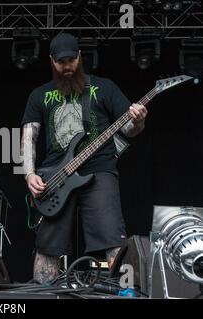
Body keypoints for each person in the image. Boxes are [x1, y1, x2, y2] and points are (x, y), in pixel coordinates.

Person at [21, 33, 147, 284]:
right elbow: (28, 137)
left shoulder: (104, 87)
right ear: (51, 61)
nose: (66, 66)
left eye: (70, 60)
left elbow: (129, 129)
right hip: (54, 177)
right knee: (48, 246)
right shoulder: (39, 95)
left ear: (79, 56)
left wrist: (139, 119)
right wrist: (29, 174)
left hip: (99, 169)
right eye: (60, 62)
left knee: (113, 239)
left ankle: (126, 292)